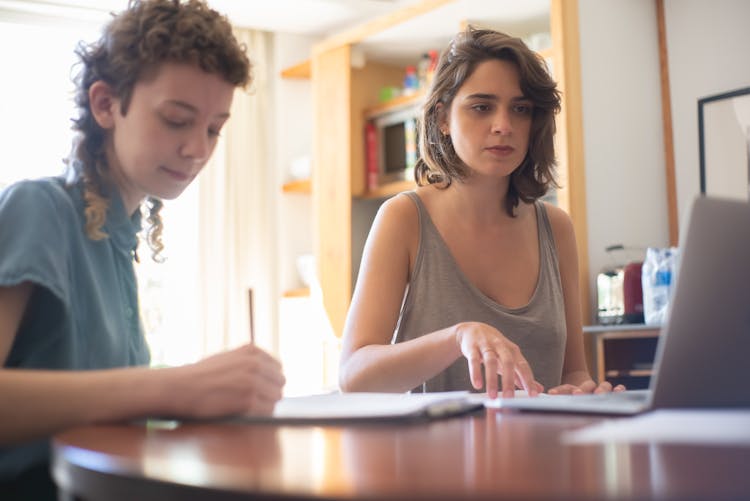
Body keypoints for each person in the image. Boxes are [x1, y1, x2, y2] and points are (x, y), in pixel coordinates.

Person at [0, 1, 285, 498]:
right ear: (106, 104)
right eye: (177, 119)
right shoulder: (38, 209)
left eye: (214, 128)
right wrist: (178, 387)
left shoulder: (116, 237)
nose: (198, 148)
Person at [339, 27, 625, 400]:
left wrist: (586, 390)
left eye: (520, 109)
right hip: (432, 456)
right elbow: (353, 375)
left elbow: (572, 371)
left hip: (541, 456)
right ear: (442, 117)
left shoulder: (556, 228)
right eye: (481, 106)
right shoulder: (404, 219)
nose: (503, 125)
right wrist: (458, 337)